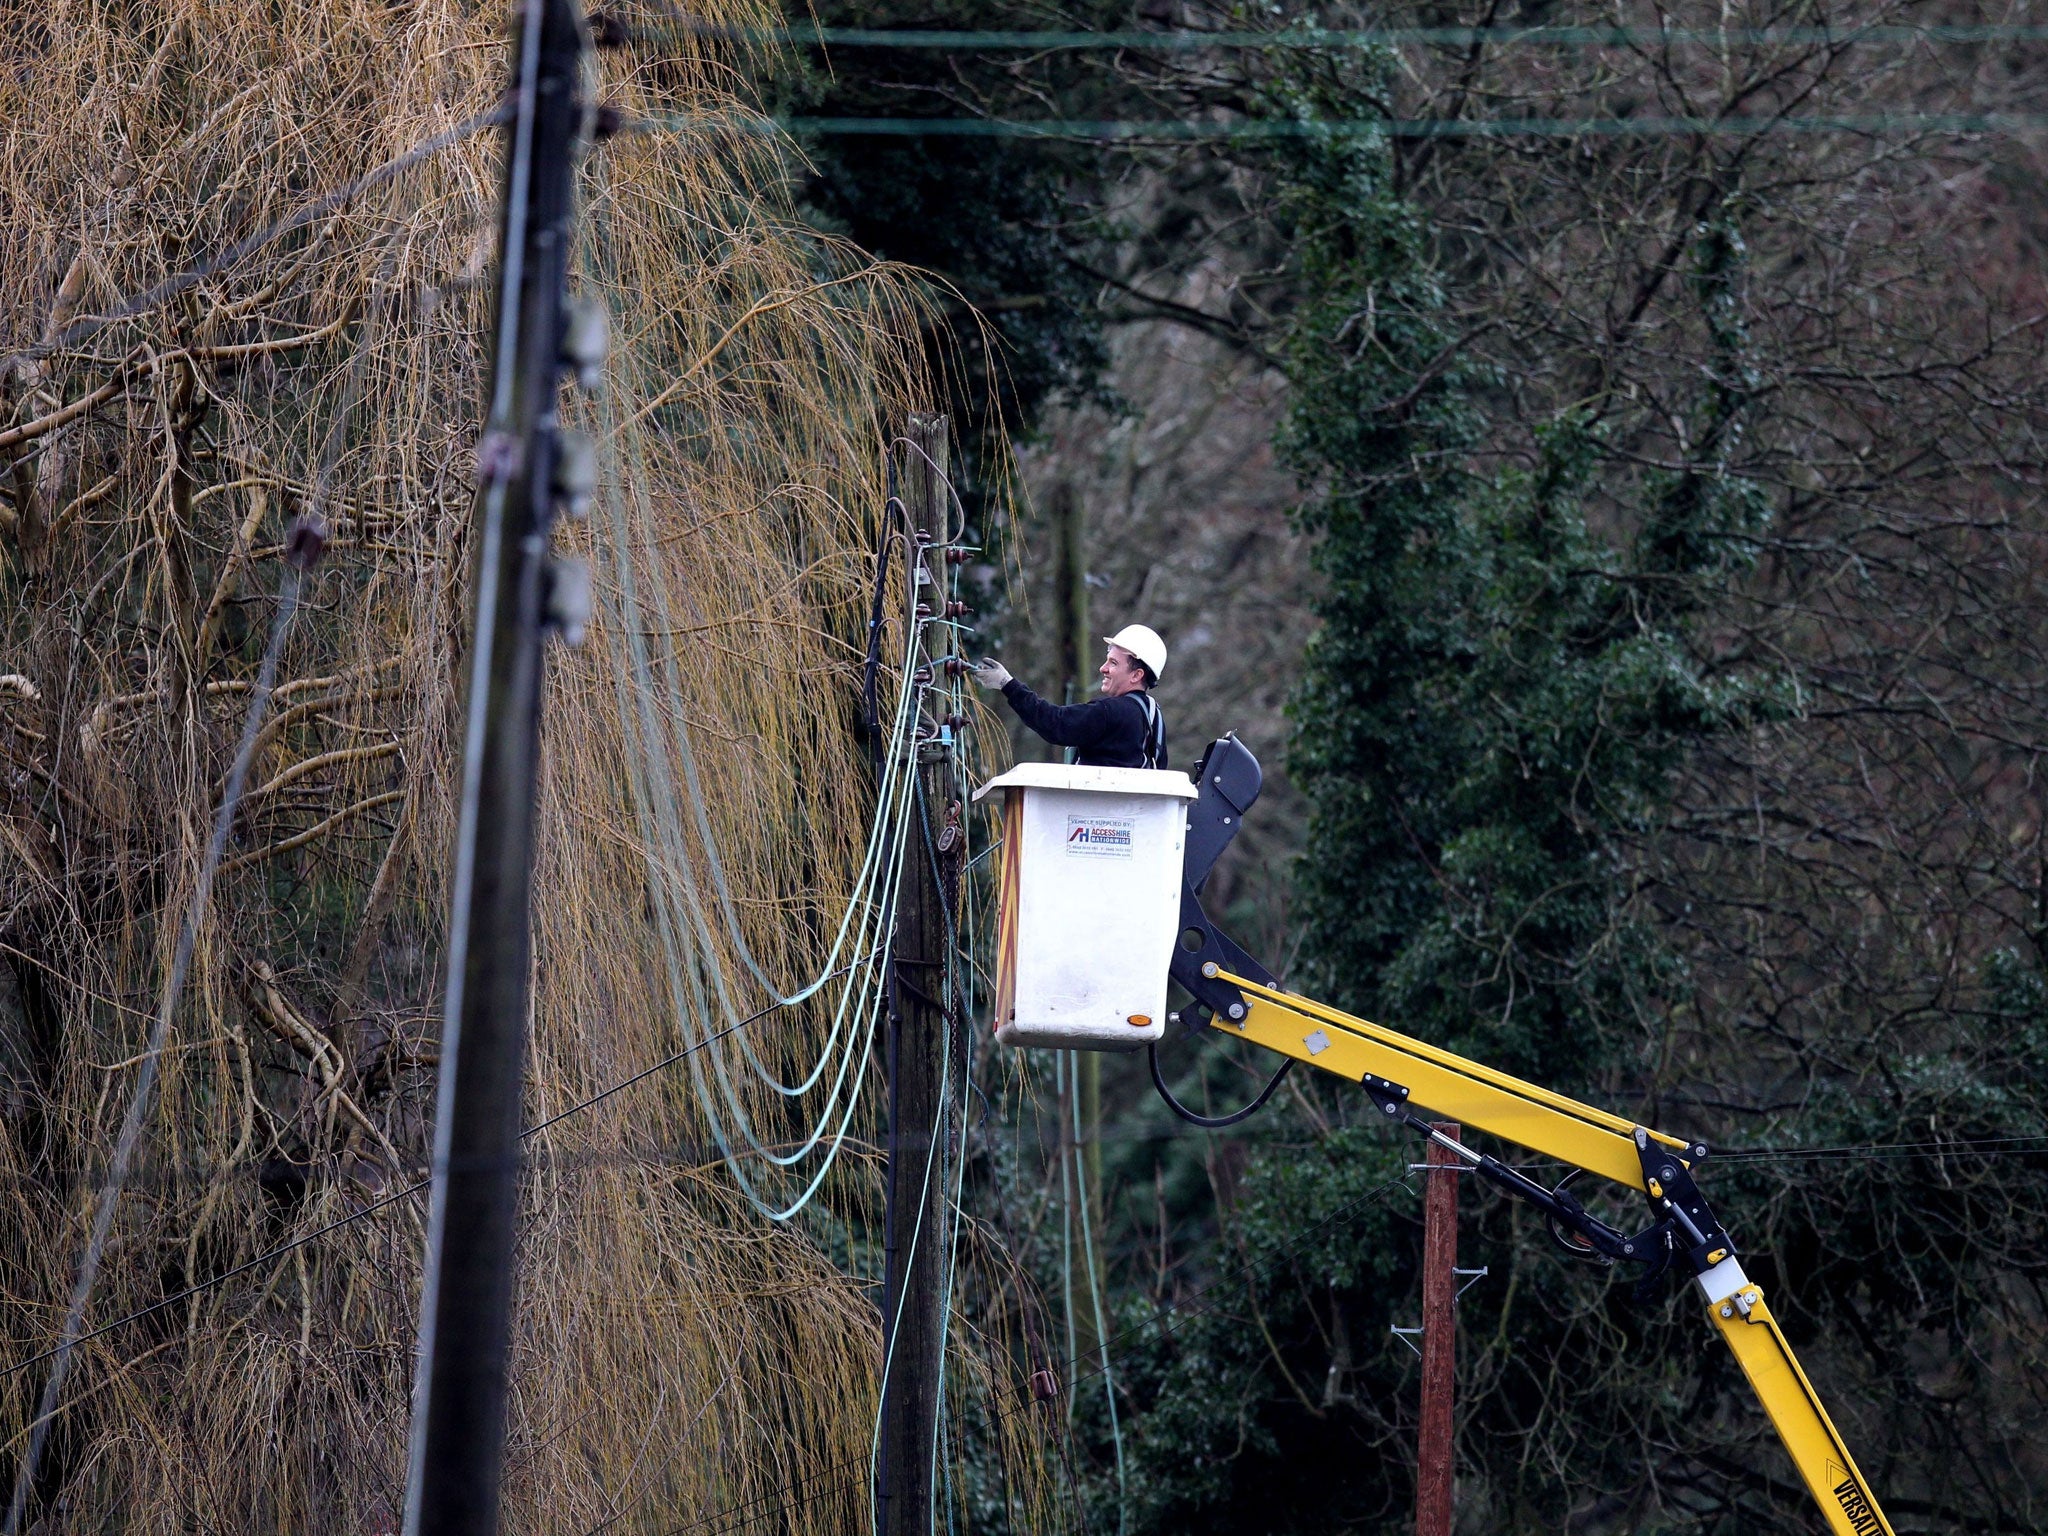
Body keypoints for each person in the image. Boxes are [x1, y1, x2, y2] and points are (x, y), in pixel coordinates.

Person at [971, 624, 1169, 770]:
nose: (1103, 668)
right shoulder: (1154, 718)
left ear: (1137, 675)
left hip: (1094, 818)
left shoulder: (1112, 712)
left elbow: (1054, 723)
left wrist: (1007, 684)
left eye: (1114, 663)